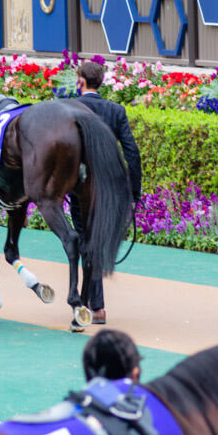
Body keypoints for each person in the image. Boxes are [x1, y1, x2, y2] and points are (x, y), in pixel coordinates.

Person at [71, 60, 142, 325]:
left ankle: (94, 304)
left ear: (81, 81)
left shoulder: (70, 108)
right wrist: (134, 192)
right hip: (108, 188)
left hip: (79, 186)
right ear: (101, 82)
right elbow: (132, 153)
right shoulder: (115, 110)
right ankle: (95, 304)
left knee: (85, 241)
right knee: (94, 241)